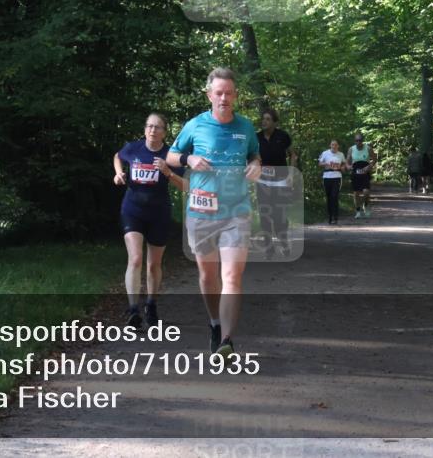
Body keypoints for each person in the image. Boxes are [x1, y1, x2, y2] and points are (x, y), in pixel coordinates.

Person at [167, 68, 261, 357]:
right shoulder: (195, 125)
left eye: (228, 93)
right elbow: (170, 156)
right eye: (218, 92)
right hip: (202, 212)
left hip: (236, 211)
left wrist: (256, 164)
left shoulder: (245, 127)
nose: (224, 97)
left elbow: (255, 155)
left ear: (235, 96)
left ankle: (227, 341)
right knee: (208, 276)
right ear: (209, 95)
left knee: (232, 275)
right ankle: (215, 323)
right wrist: (188, 158)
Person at [113, 113, 185, 329]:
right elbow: (117, 156)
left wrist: (168, 172)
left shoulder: (171, 155)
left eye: (158, 127)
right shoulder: (133, 148)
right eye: (149, 126)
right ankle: (133, 310)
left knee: (153, 264)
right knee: (135, 259)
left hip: (159, 214)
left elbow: (186, 186)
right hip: (132, 210)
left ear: (164, 131)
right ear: (145, 129)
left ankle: (151, 305)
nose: (153, 130)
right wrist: (118, 173)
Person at [256, 108, 298, 259]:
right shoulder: (256, 137)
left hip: (281, 182)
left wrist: (291, 175)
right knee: (264, 215)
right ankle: (269, 248)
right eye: (263, 119)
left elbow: (293, 155)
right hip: (263, 182)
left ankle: (284, 242)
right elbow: (252, 158)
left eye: (268, 119)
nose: (264, 121)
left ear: (274, 122)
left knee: (279, 216)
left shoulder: (282, 136)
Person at [347, 133, 376, 219]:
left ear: (362, 141)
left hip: (365, 172)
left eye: (360, 140)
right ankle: (358, 211)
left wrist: (369, 166)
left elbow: (374, 159)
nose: (358, 142)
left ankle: (366, 205)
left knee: (366, 192)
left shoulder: (368, 148)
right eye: (356, 140)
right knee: (356, 194)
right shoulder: (351, 149)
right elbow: (347, 160)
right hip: (355, 173)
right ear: (354, 141)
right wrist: (348, 166)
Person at [318, 140, 346, 225]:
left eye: (336, 145)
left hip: (337, 177)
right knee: (329, 197)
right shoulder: (325, 153)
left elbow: (344, 164)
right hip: (327, 176)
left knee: (334, 196)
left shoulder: (341, 154)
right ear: (330, 145)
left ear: (338, 146)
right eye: (332, 145)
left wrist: (341, 167)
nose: (334, 146)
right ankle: (330, 217)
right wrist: (327, 164)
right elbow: (319, 163)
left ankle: (335, 217)